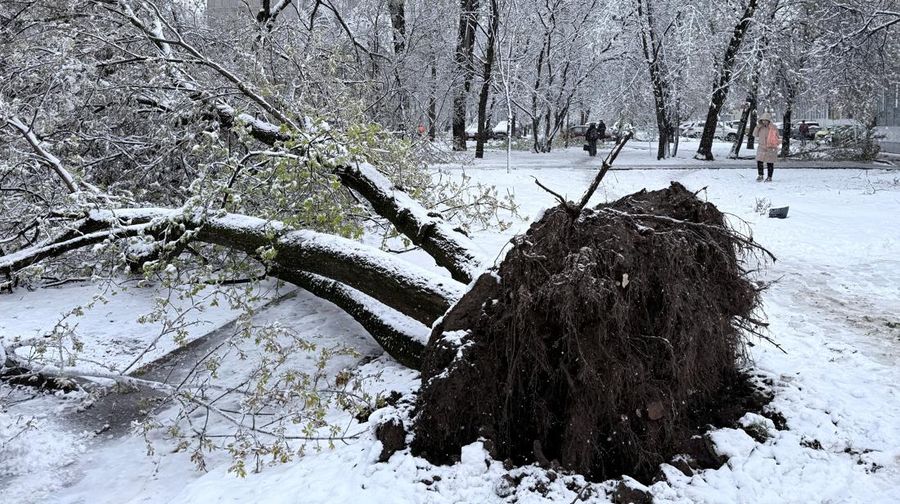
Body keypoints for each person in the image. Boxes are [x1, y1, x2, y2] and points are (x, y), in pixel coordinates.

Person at [752, 112, 780, 182]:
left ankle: (769, 176)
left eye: (766, 120)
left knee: (770, 163)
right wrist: (757, 127)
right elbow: (754, 134)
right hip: (761, 147)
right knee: (759, 161)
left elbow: (777, 136)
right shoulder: (760, 127)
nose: (764, 122)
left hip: (771, 147)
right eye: (763, 120)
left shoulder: (773, 127)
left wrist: (773, 130)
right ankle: (760, 175)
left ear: (769, 120)